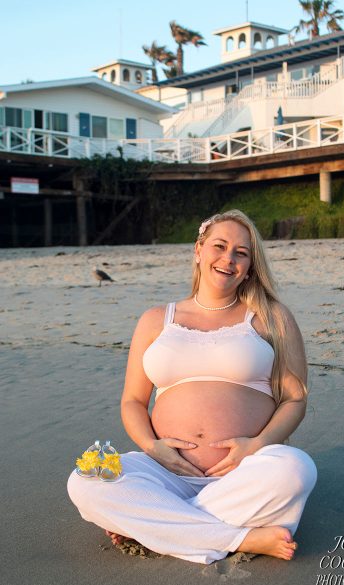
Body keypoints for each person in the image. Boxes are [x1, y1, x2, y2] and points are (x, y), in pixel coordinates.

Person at [68, 209, 317, 565]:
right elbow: (133, 402)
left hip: (244, 472)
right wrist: (152, 447)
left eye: (241, 253)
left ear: (249, 266)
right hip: (165, 470)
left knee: (296, 469)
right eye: (219, 245)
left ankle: (156, 524)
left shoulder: (271, 317)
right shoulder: (156, 320)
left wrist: (257, 445)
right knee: (85, 480)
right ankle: (241, 537)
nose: (228, 258)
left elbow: (295, 398)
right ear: (198, 250)